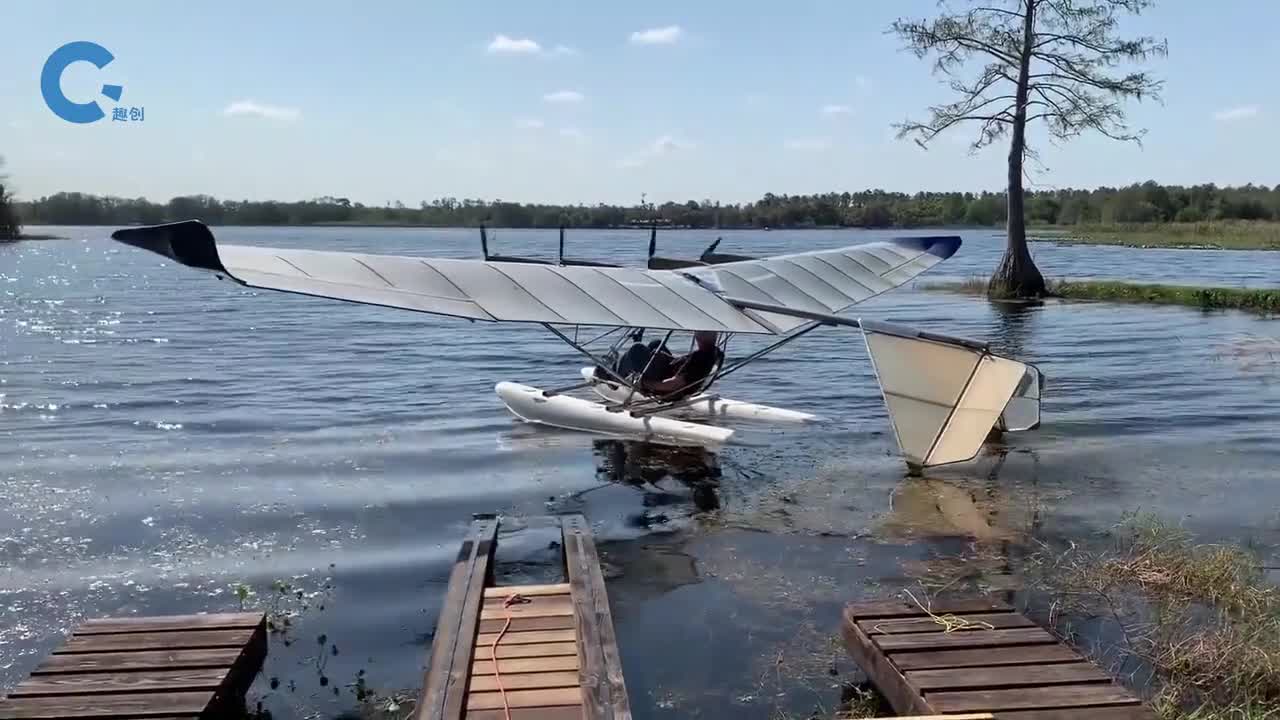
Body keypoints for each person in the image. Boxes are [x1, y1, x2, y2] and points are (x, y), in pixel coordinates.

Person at [641, 331, 722, 398]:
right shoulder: (716, 353)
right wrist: (670, 359)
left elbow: (673, 385)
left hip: (667, 386)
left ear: (699, 337)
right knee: (656, 343)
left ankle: (634, 379)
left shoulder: (698, 360)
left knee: (637, 348)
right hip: (670, 370)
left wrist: (645, 383)